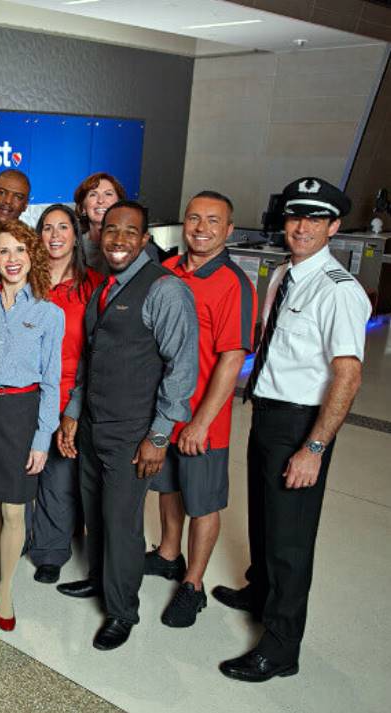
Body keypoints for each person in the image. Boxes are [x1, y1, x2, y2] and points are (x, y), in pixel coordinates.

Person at [218, 178, 370, 682]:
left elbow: (347, 374)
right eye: (294, 217)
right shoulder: (283, 273)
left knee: (290, 540)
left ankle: (281, 649)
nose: (301, 227)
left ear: (333, 226)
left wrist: (315, 447)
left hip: (303, 421)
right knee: (264, 516)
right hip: (268, 412)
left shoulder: (339, 292)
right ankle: (259, 592)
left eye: (314, 218)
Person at [56, 200, 198, 651]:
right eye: (110, 230)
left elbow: (182, 370)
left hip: (134, 433)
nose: (117, 240)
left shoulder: (165, 290)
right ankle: (100, 581)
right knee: (95, 511)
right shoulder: (106, 287)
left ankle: (122, 610)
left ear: (144, 238)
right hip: (95, 423)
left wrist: (159, 435)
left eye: (129, 232)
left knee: (121, 521)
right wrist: (73, 413)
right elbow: (90, 360)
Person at [144, 191, 256, 628]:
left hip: (202, 422)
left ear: (228, 230)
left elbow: (232, 359)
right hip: (164, 414)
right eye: (193, 218)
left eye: (213, 221)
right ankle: (169, 554)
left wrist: (202, 422)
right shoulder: (167, 271)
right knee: (168, 488)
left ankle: (193, 584)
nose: (201, 228)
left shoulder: (234, 283)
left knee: (202, 502)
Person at [0, 220, 63, 631]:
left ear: (33, 257)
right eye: (4, 251)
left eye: (20, 251)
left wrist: (43, 437)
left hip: (23, 413)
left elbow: (52, 380)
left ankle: (6, 586)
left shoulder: (48, 312)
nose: (12, 260)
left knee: (13, 507)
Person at [26, 204, 103, 585]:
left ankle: (50, 551)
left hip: (68, 396)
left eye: (62, 228)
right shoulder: (25, 281)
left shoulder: (92, 288)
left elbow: (95, 353)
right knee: (21, 474)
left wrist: (74, 406)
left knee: (58, 477)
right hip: (24, 393)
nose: (55, 235)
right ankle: (19, 538)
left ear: (76, 234)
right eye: (46, 228)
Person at [74, 172, 126, 274]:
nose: (101, 200)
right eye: (93, 194)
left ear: (120, 204)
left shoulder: (134, 245)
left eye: (108, 194)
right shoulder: (73, 247)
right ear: (82, 208)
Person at [0, 169, 30, 240]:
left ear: (25, 205)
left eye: (18, 197)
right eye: (1, 192)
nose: (8, 201)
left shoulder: (31, 244)